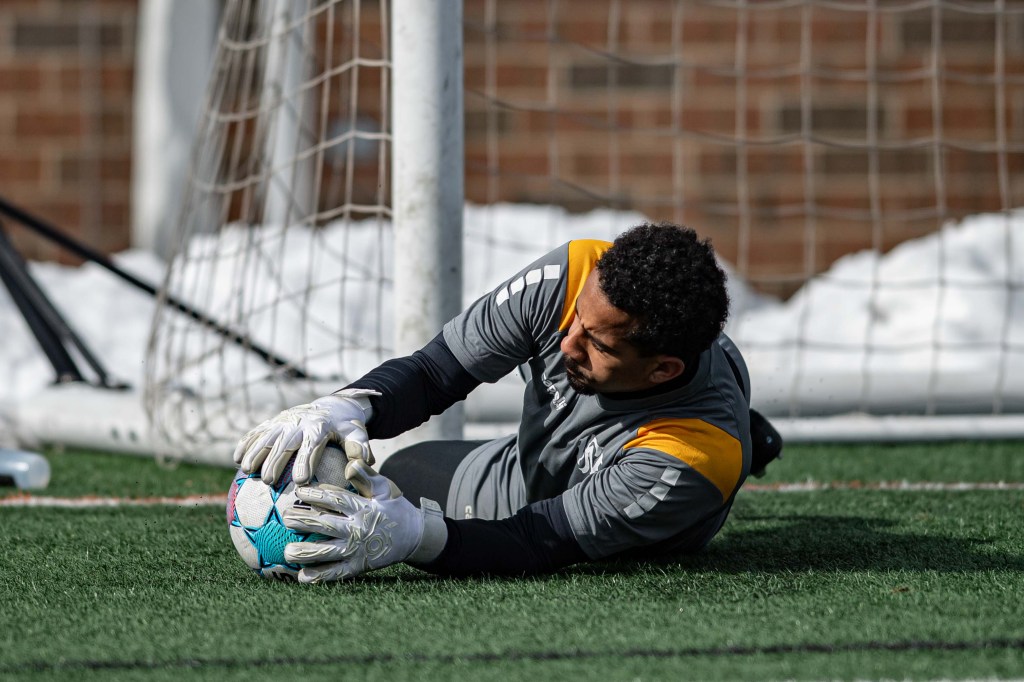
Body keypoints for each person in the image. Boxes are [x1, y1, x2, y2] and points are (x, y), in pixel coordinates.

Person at [233, 223, 782, 583]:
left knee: (440, 518)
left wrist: (410, 536)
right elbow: (435, 372)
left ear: (662, 370)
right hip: (547, 453)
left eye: (596, 344)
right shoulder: (573, 275)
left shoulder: (692, 455)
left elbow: (537, 540)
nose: (566, 343)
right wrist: (348, 406)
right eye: (576, 320)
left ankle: (743, 436)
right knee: (405, 469)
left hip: (634, 492)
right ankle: (748, 425)